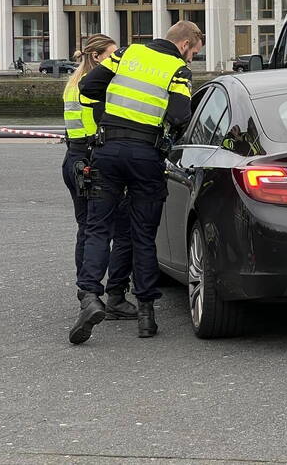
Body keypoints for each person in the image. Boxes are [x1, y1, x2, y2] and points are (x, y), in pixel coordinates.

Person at [71, 21, 202, 344]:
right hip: (145, 155)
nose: (192, 60)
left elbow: (88, 88)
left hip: (108, 150)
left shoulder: (127, 53)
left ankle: (89, 297)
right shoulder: (178, 71)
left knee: (98, 227)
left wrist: (111, 117)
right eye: (194, 53)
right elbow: (180, 115)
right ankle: (146, 316)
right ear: (185, 44)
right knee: (143, 234)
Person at [61, 34, 137, 321]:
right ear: (97, 57)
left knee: (88, 227)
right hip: (93, 162)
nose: (114, 60)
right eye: (111, 55)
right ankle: (115, 295)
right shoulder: (96, 88)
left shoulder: (71, 84)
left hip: (73, 160)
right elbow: (102, 127)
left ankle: (87, 296)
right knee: (120, 229)